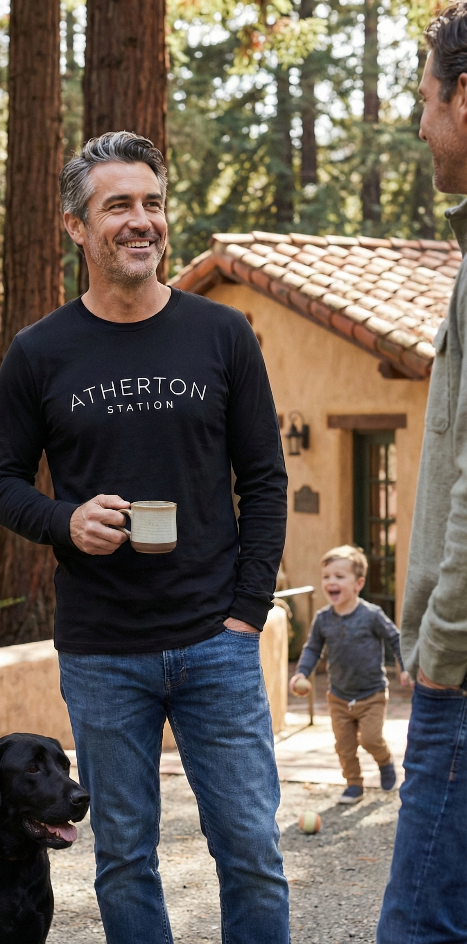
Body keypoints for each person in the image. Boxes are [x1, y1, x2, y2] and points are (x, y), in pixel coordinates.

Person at [0, 131, 289, 944]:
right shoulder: (39, 352)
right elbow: (0, 482)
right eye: (118, 205)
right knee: (123, 859)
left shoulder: (222, 334)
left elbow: (264, 479)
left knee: (252, 852)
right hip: (102, 652)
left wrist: (247, 612)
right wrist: (65, 520)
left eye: (152, 203)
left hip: (217, 643)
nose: (141, 220)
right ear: (75, 227)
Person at [378, 6, 467, 941]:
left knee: (419, 927)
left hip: (465, 674)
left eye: (425, 98)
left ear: (466, 97)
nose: (419, 122)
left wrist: (442, 647)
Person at [290, 546, 409, 805]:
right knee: (344, 746)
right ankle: (354, 784)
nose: (331, 581)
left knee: (370, 739)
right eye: (326, 576)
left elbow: (395, 638)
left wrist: (405, 666)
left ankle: (385, 761)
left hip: (372, 694)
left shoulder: (372, 615)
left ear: (359, 584)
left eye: (339, 576)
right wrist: (301, 673)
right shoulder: (323, 619)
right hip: (339, 696)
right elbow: (312, 649)